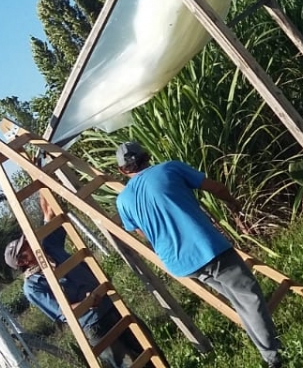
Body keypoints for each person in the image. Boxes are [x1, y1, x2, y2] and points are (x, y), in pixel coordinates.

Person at [114, 141, 284, 368]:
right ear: (147, 156)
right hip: (207, 248)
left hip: (181, 264)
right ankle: (273, 357)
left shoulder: (122, 200)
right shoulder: (169, 168)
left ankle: (265, 349)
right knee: (249, 298)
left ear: (122, 170)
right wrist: (234, 203)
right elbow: (217, 188)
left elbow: (142, 233)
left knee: (238, 300)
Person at [6, 197, 142, 368]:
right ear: (22, 261)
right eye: (24, 246)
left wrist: (39, 180)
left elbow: (50, 213)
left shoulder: (49, 247)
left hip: (110, 305)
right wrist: (86, 303)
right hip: (94, 325)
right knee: (128, 364)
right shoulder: (33, 286)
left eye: (25, 241)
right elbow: (62, 312)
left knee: (148, 347)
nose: (28, 243)